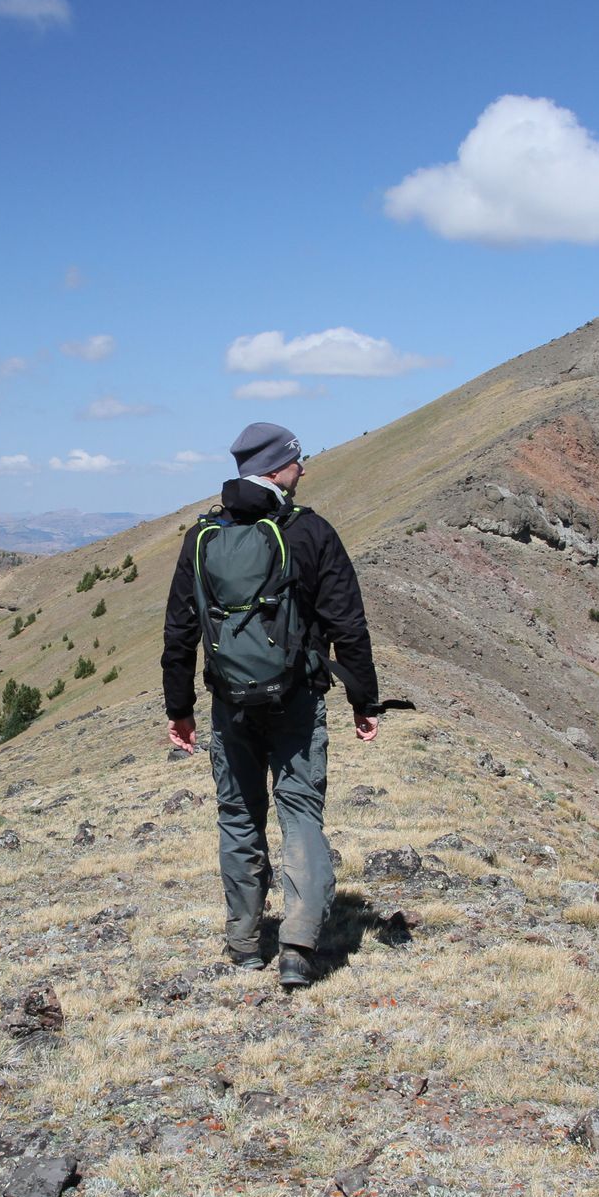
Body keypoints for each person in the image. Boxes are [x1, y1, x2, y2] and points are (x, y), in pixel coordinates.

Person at [162, 421, 379, 987]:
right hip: (298, 698)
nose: (303, 469)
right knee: (300, 810)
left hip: (228, 701)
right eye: (297, 460)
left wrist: (178, 708)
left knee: (238, 813)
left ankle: (243, 942)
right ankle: (299, 945)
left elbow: (179, 631)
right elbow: (347, 624)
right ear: (277, 468)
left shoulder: (203, 536)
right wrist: (364, 700)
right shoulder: (309, 532)